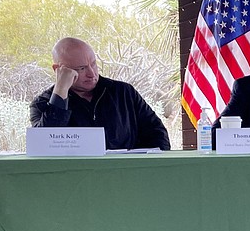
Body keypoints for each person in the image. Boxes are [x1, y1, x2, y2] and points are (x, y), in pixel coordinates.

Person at [30, 37, 171, 150]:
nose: (91, 73)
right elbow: (45, 145)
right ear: (58, 69)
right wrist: (61, 91)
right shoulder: (42, 103)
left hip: (125, 176)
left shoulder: (124, 93)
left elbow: (157, 133)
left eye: (93, 64)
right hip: (74, 180)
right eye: (81, 68)